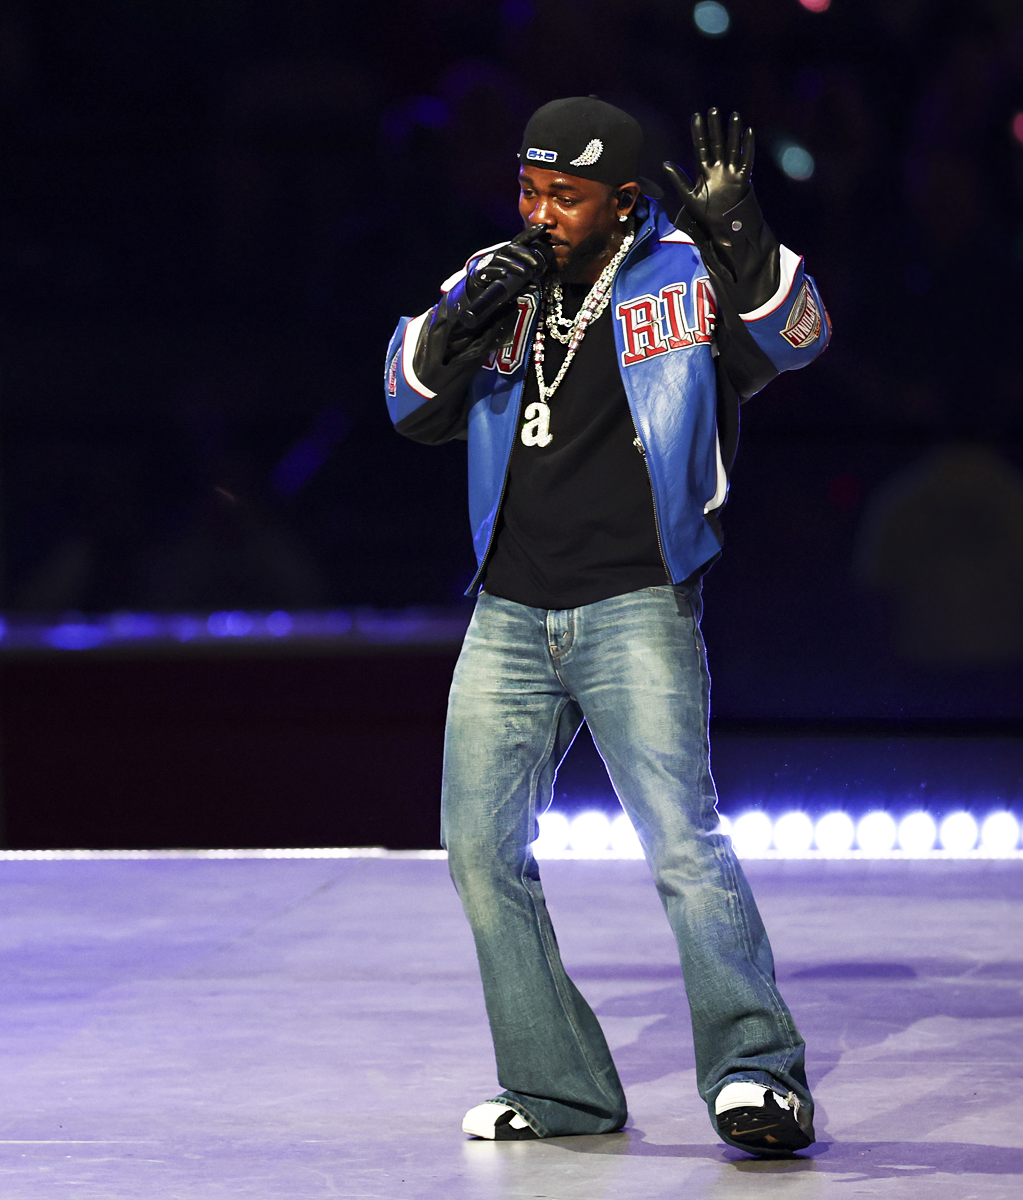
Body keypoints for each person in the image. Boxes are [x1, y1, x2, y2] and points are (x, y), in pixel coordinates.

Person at [380, 98, 829, 1155]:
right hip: (508, 610)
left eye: (566, 197)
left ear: (624, 200)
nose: (541, 213)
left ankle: (760, 1078)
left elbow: (800, 334)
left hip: (636, 599)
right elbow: (405, 401)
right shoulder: (496, 278)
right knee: (480, 853)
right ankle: (561, 1089)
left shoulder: (683, 273)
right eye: (530, 188)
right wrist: (459, 322)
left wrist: (741, 233)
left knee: (681, 843)